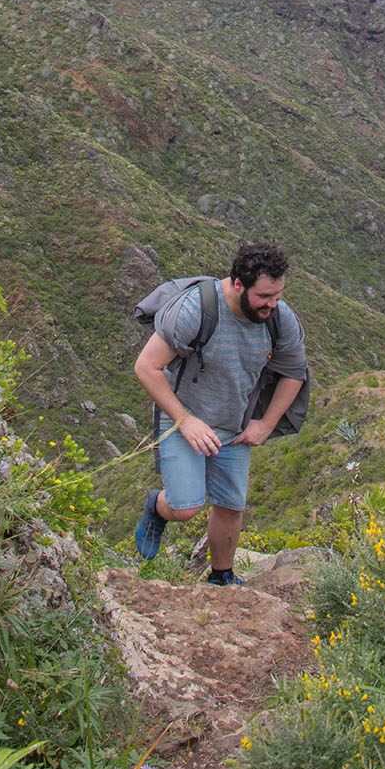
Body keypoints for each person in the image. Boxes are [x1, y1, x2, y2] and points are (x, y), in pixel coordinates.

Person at [133, 241, 307, 585]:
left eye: (278, 294)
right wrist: (185, 421)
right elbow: (146, 367)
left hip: (235, 424)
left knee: (230, 505)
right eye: (264, 296)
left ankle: (222, 576)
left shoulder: (279, 318)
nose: (273, 304)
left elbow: (294, 373)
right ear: (238, 284)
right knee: (187, 507)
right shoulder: (197, 310)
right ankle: (157, 506)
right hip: (184, 417)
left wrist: (266, 424)